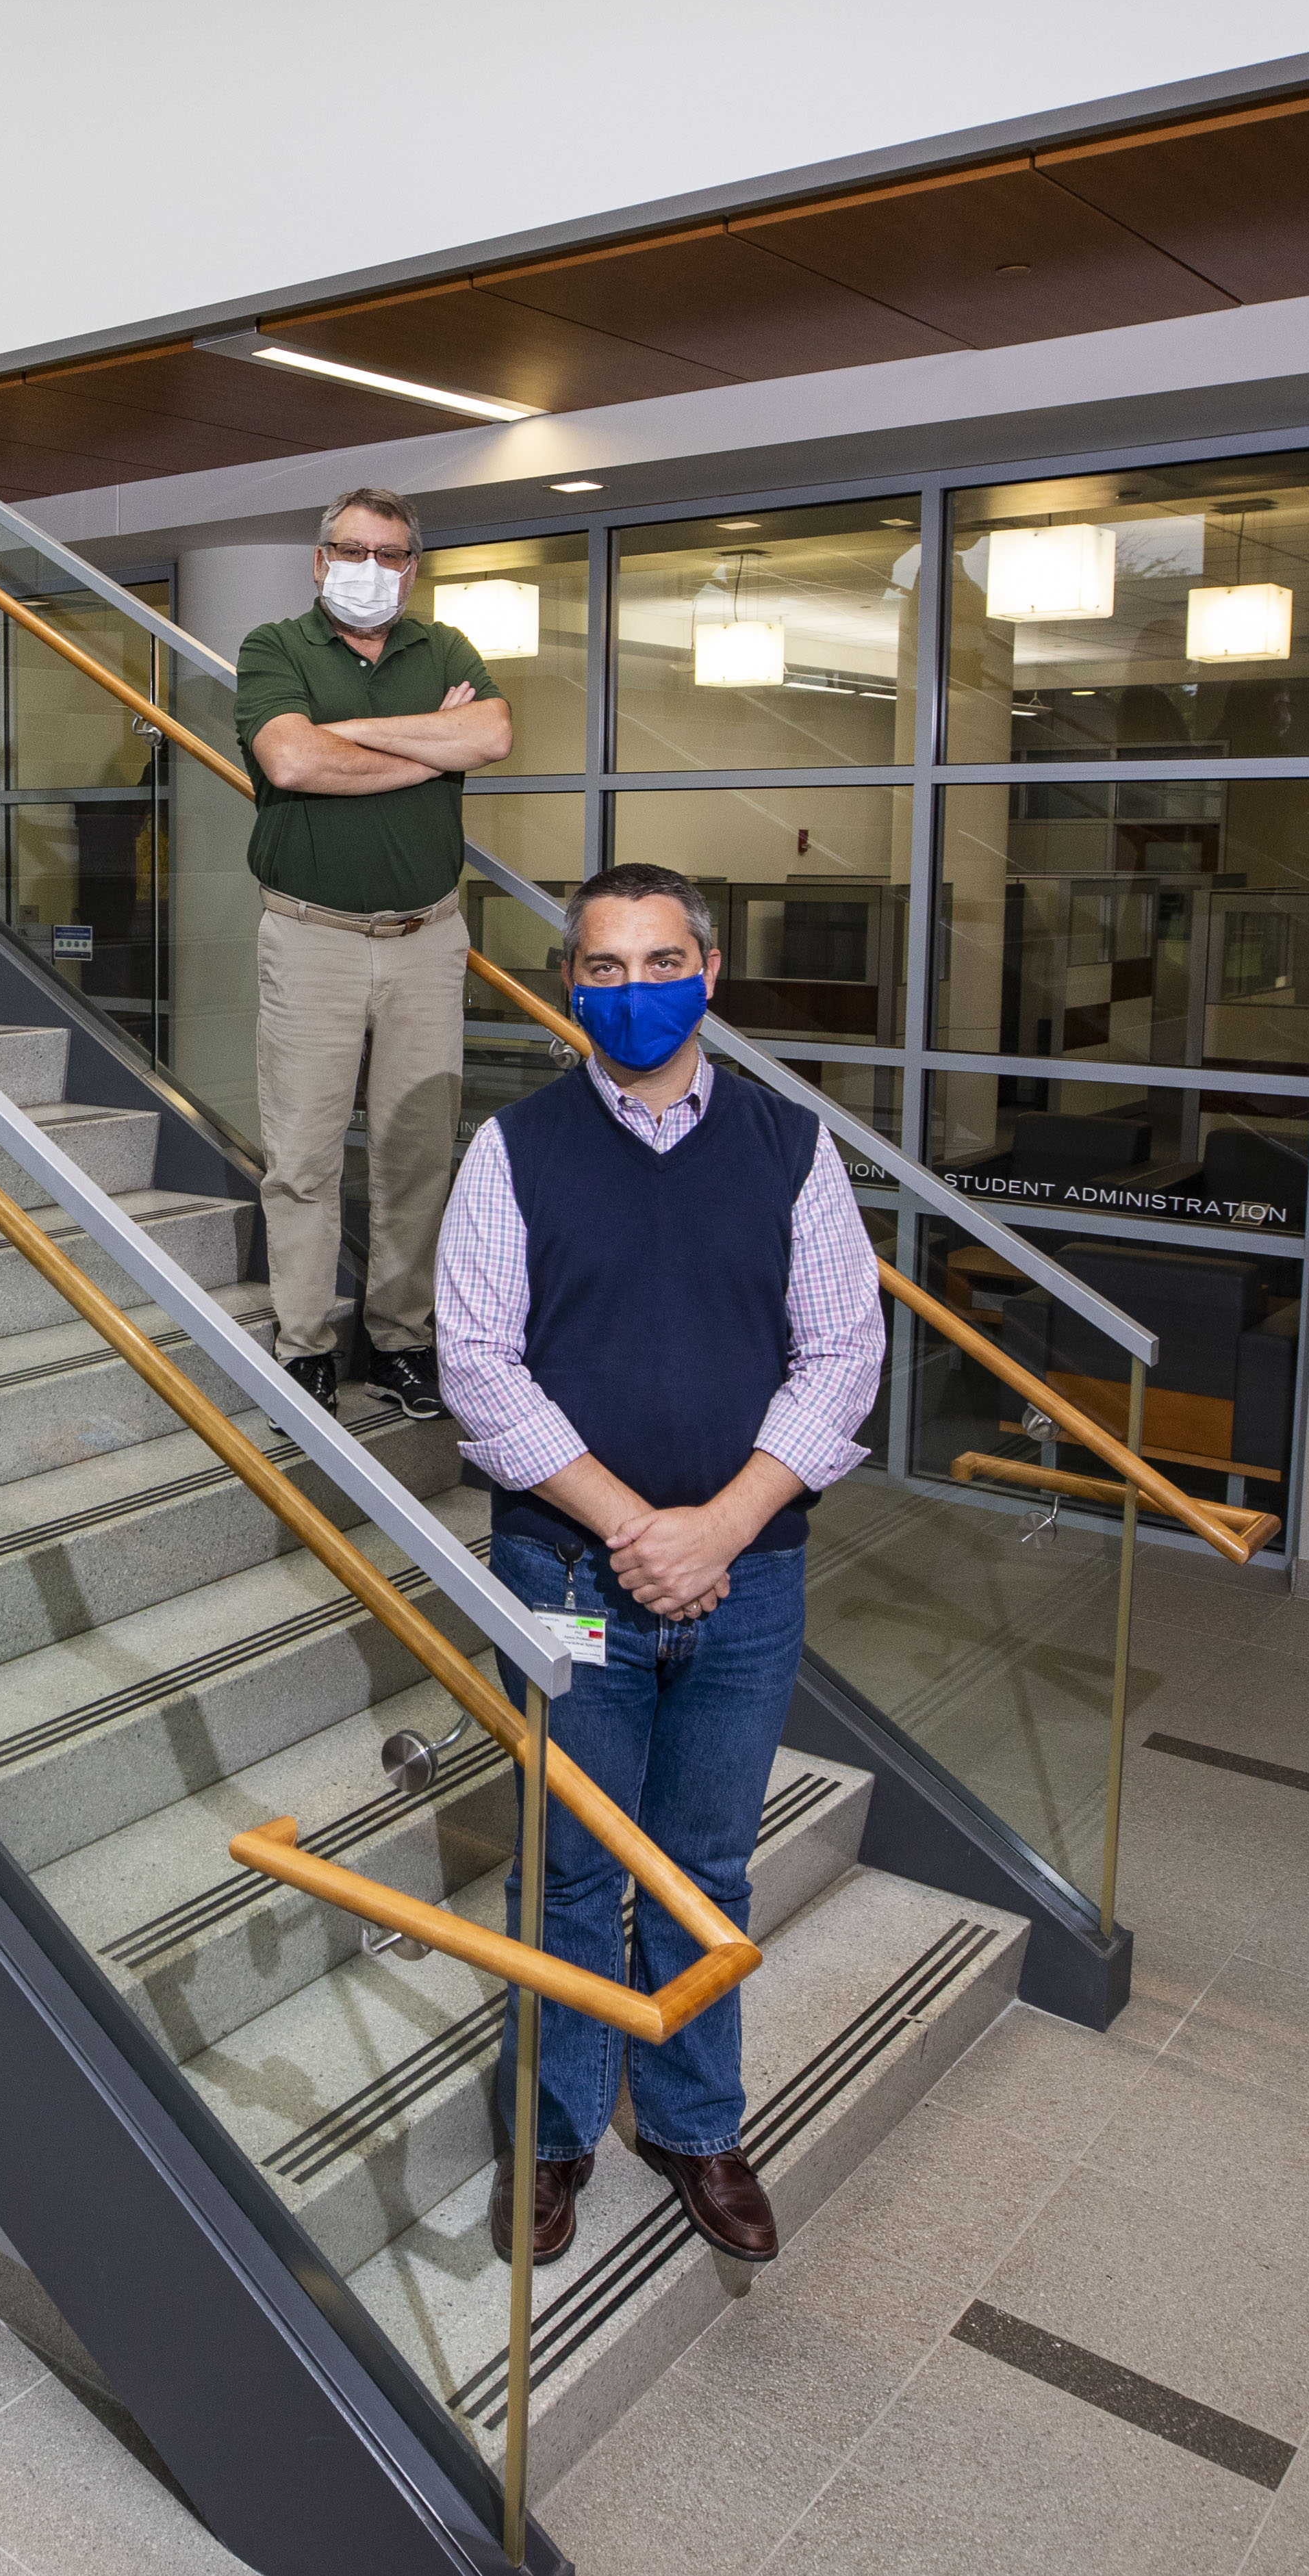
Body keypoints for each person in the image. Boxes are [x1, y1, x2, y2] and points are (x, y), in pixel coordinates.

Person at [435, 862, 884, 2266]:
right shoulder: (509, 1152)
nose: (633, 992)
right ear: (570, 984)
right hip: (568, 1585)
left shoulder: (790, 1149)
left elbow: (843, 1356)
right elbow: (477, 1370)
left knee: (708, 1870)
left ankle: (693, 2122)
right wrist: (637, 1527)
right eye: (603, 968)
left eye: (659, 962)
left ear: (710, 970)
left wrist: (721, 1527)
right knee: (570, 1870)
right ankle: (558, 2135)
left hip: (746, 1587)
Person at [233, 487, 510, 1424]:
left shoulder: (446, 648)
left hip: (428, 939)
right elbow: (290, 765)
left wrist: (343, 731)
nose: (370, 568)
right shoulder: (274, 647)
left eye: (390, 554)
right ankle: (305, 1344)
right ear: (319, 560)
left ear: (412, 567)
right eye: (352, 550)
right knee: (303, 1157)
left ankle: (399, 1340)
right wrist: (435, 745)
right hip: (312, 937)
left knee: (416, 1156)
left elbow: (495, 733)